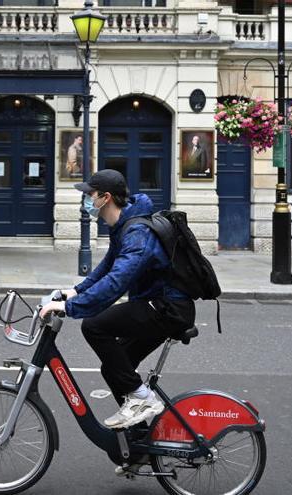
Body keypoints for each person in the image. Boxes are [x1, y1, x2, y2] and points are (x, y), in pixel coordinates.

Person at [38, 169, 194, 430]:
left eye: (90, 195)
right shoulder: (123, 226)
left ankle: (142, 397)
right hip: (155, 306)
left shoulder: (137, 234)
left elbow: (116, 283)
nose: (86, 200)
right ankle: (139, 444)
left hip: (168, 310)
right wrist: (75, 291)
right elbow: (107, 268)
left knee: (94, 325)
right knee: (113, 369)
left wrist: (69, 307)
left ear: (105, 197)